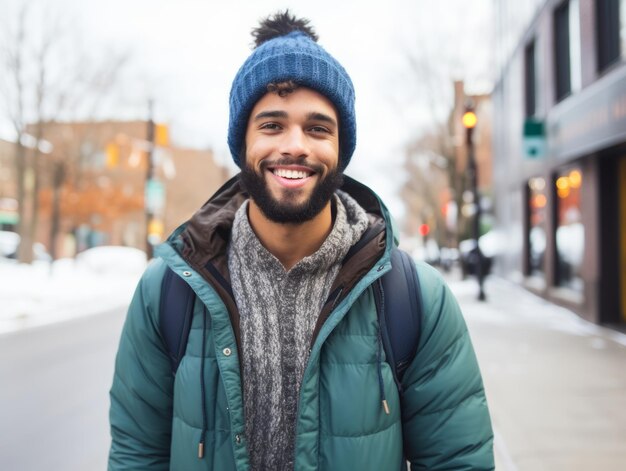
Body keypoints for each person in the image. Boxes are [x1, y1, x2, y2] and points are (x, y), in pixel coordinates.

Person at [108, 10, 494, 471]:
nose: (295, 145)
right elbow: (136, 457)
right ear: (243, 144)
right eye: (272, 125)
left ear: (340, 149)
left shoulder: (415, 299)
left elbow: (458, 461)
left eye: (317, 128)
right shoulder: (166, 294)